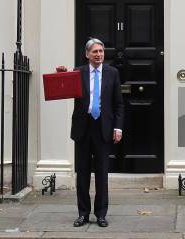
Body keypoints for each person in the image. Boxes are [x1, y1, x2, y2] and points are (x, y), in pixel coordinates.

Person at [56, 38, 124, 228]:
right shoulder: (78, 72)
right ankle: (83, 214)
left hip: (103, 128)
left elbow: (118, 103)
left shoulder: (112, 73)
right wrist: (61, 75)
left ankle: (101, 214)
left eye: (101, 51)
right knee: (83, 174)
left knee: (102, 174)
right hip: (83, 129)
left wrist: (118, 127)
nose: (99, 54)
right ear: (87, 54)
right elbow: (61, 90)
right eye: (95, 51)